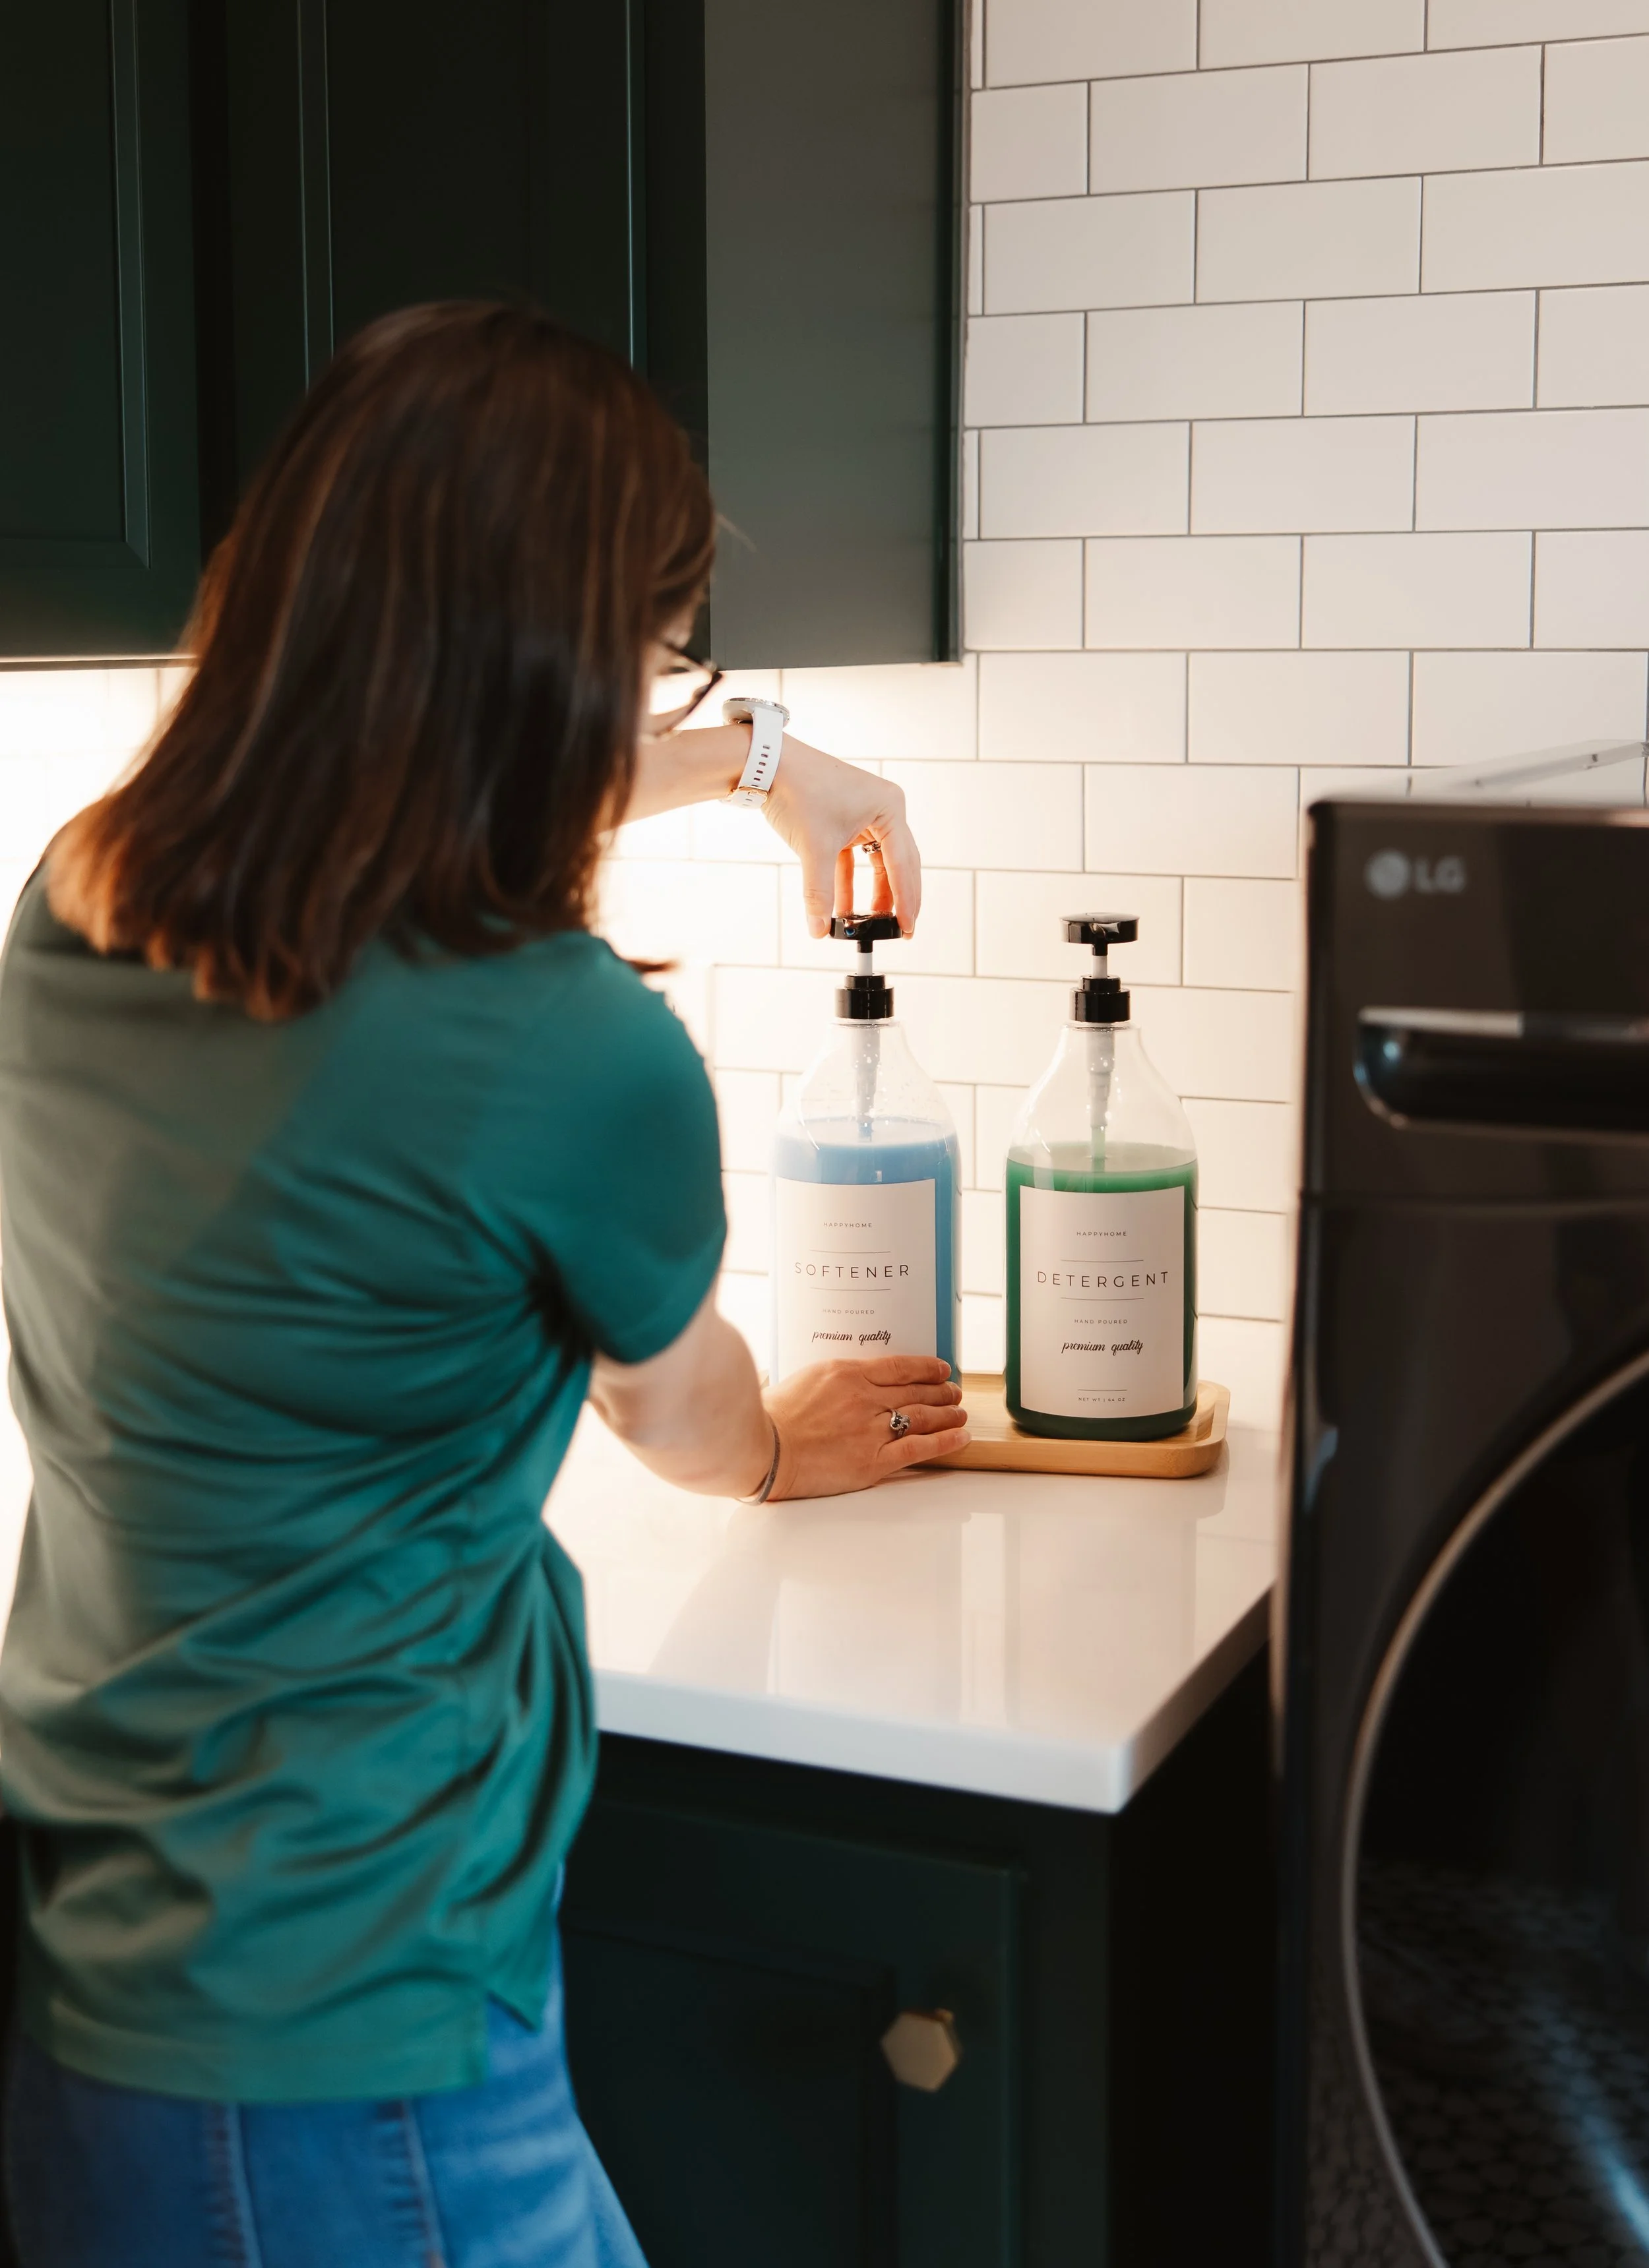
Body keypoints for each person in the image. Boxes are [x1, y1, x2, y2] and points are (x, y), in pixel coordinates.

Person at [0, 302, 970, 2267]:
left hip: (112, 1983)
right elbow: (681, 1412)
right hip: (361, 2037)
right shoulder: (572, 1051)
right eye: (652, 643)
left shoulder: (86, 888)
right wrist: (776, 1445)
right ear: (562, 661)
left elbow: (369, 843)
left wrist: (761, 759)